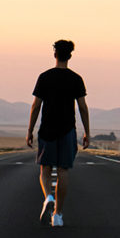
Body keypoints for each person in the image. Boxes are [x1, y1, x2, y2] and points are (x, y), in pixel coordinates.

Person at [26, 39, 90, 227]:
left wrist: (29, 130)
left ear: (55, 55)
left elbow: (36, 105)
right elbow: (83, 108)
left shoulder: (44, 77)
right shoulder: (76, 79)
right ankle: (58, 214)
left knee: (45, 169)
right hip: (67, 130)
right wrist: (87, 132)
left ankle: (48, 197)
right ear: (69, 56)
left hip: (47, 129)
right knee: (63, 170)